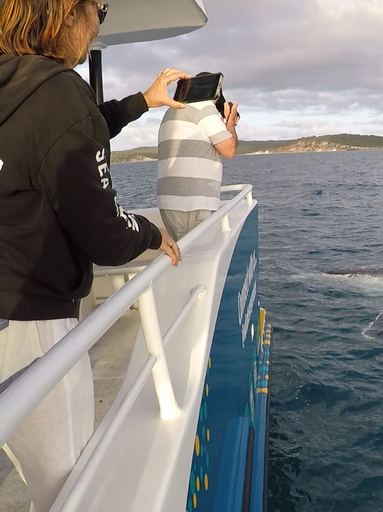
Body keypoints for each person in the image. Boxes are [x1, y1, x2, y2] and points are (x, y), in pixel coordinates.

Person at [0, 0, 186, 509]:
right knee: (68, 483)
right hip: (31, 318)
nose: (100, 20)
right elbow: (104, 232)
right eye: (100, 8)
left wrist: (140, 102)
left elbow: (66, 136)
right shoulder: (58, 93)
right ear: (66, 12)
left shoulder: (16, 87)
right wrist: (149, 233)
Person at [157, 72, 240, 240]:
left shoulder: (171, 111)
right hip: (193, 203)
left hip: (169, 203)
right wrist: (230, 122)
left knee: (185, 259)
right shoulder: (203, 107)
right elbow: (229, 149)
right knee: (199, 256)